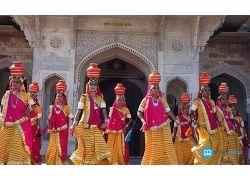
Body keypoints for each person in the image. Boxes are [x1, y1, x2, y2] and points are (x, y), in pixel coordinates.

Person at [70, 63, 111, 165]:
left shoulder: (100, 98)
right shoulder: (84, 97)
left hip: (96, 128)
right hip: (85, 126)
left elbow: (104, 111)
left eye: (95, 84)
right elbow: (79, 111)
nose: (93, 86)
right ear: (88, 85)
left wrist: (106, 121)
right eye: (91, 84)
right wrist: (74, 123)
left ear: (97, 86)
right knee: (87, 150)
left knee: (101, 147)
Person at [137, 70, 178, 165]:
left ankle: (166, 164)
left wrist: (176, 119)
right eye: (154, 88)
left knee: (166, 144)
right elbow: (139, 112)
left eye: (157, 88)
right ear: (150, 89)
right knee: (153, 146)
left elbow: (169, 111)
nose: (156, 89)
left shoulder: (162, 100)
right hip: (151, 127)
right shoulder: (145, 100)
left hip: (164, 125)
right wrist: (143, 121)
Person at [0, 61, 34, 164]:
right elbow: (2, 107)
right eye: (13, 81)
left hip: (20, 125)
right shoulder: (7, 94)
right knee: (5, 144)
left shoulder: (26, 95)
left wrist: (29, 110)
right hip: (7, 125)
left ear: (21, 84)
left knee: (17, 146)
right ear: (10, 83)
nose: (14, 83)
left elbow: (32, 105)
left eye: (17, 82)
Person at [190, 72, 220, 165]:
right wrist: (194, 122)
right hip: (201, 127)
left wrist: (219, 122)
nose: (208, 92)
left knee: (211, 146)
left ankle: (204, 162)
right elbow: (191, 112)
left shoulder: (212, 102)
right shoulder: (197, 101)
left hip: (212, 127)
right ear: (201, 92)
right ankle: (197, 155)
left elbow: (214, 113)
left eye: (209, 90)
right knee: (205, 143)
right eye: (206, 90)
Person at [45, 80, 74, 165]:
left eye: (61, 96)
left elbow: (72, 117)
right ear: (55, 97)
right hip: (54, 131)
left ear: (64, 98)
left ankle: (61, 162)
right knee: (53, 146)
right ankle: (52, 162)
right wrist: (50, 127)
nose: (59, 98)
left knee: (62, 146)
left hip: (63, 131)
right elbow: (49, 119)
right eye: (58, 96)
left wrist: (76, 125)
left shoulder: (66, 108)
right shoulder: (52, 107)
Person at [106, 83, 132, 165]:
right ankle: (111, 161)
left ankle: (120, 161)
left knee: (120, 146)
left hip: (121, 130)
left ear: (123, 100)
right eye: (118, 100)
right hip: (112, 130)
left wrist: (126, 126)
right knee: (111, 145)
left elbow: (130, 119)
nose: (119, 101)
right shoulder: (112, 109)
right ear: (115, 101)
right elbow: (110, 120)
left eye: (121, 100)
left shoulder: (126, 109)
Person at [216, 84, 241, 164]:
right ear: (220, 100)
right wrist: (221, 95)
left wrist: (236, 126)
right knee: (224, 151)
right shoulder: (218, 108)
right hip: (223, 132)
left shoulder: (228, 109)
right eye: (223, 99)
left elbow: (232, 119)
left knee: (234, 150)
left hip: (232, 132)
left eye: (226, 99)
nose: (225, 100)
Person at [172, 93, 195, 165]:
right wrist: (172, 138)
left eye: (188, 108)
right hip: (179, 140)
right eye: (185, 108)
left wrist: (195, 138)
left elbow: (193, 129)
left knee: (194, 151)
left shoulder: (190, 118)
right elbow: (174, 129)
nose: (186, 109)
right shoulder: (177, 118)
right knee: (180, 158)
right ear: (181, 109)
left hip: (189, 139)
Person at [229, 95, 248, 164]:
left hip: (240, 137)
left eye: (234, 110)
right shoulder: (229, 119)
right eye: (232, 110)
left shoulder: (239, 118)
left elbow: (243, 127)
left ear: (236, 111)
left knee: (241, 153)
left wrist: (244, 135)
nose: (233, 111)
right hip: (232, 138)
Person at [28, 81, 42, 164]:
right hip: (25, 128)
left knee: (34, 146)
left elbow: (39, 118)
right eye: (30, 94)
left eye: (33, 94)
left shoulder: (37, 107)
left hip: (34, 129)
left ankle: (34, 162)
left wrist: (38, 128)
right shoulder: (25, 105)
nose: (31, 96)